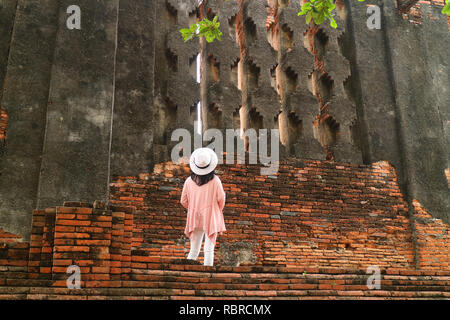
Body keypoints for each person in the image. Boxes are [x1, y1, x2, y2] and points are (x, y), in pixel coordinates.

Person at [180, 147, 226, 266]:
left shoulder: (188, 181)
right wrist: (217, 210)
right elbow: (221, 198)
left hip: (195, 216)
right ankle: (207, 276)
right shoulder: (215, 180)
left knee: (193, 250)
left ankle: (187, 273)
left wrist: (193, 208)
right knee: (209, 249)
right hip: (211, 216)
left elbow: (183, 201)